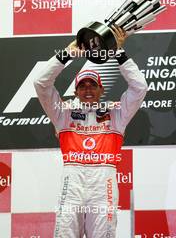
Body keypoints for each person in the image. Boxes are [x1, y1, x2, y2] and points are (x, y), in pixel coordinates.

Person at [34, 26, 148, 238]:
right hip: (73, 181)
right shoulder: (63, 113)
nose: (87, 90)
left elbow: (140, 88)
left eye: (92, 85)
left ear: (101, 90)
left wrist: (118, 53)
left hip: (103, 183)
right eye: (83, 86)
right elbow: (41, 83)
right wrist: (65, 55)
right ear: (75, 91)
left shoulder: (116, 114)